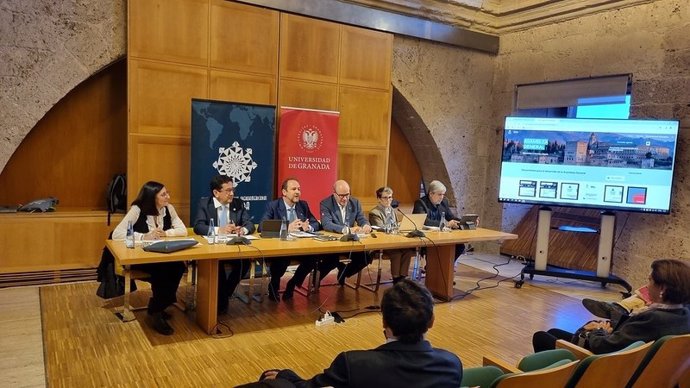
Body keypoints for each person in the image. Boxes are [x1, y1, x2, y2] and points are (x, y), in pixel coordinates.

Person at [255, 279, 462, 387]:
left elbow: (311, 387)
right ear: (432, 321)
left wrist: (286, 376)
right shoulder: (452, 365)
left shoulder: (354, 364)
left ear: (384, 321)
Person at [532, 259, 690, 354]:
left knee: (541, 337)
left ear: (662, 288)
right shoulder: (683, 314)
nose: (646, 286)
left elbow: (605, 347)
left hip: (607, 365)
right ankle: (615, 311)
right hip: (637, 363)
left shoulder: (653, 319)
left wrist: (598, 331)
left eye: (650, 280)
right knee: (554, 332)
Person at [112, 181, 188, 335]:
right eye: (163, 194)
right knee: (163, 271)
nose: (168, 197)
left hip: (161, 255)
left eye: (167, 193)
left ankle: (157, 306)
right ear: (152, 197)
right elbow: (117, 234)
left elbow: (183, 230)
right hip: (140, 258)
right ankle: (158, 311)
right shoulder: (137, 210)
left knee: (179, 266)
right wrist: (144, 236)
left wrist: (166, 233)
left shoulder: (169, 209)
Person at [193, 175, 255, 315]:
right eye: (228, 190)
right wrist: (218, 230)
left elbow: (250, 223)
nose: (232, 194)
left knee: (244, 263)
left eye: (233, 190)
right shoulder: (205, 204)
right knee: (217, 265)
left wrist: (242, 229)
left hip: (233, 247)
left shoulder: (237, 203)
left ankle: (223, 295)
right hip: (213, 248)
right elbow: (198, 226)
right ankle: (220, 303)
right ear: (216, 192)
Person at [259, 178, 320, 301]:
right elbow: (262, 226)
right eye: (293, 189)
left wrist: (308, 227)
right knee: (282, 259)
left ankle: (292, 284)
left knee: (314, 258)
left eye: (299, 189)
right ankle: (274, 286)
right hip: (280, 248)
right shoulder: (274, 206)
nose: (297, 192)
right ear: (284, 192)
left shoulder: (303, 205)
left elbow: (316, 223)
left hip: (300, 246)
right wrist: (286, 227)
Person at [318, 180, 373, 285]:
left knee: (366, 257)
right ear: (334, 194)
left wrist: (366, 225)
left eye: (347, 195)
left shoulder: (355, 202)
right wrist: (347, 230)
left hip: (350, 243)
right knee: (331, 260)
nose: (345, 198)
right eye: (341, 196)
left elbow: (362, 219)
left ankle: (344, 273)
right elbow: (327, 224)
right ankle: (315, 283)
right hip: (333, 244)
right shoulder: (326, 204)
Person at [369, 186, 415, 283]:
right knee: (397, 253)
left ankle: (402, 278)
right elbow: (379, 228)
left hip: (395, 240)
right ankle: (396, 279)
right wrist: (394, 228)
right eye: (385, 197)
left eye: (390, 197)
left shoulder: (393, 210)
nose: (388, 200)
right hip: (383, 242)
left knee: (408, 251)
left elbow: (395, 224)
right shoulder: (374, 212)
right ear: (379, 199)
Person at [413, 180, 465, 258]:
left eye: (443, 194)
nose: (442, 197)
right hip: (426, 237)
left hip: (441, 236)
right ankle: (432, 268)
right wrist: (446, 224)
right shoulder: (420, 203)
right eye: (439, 194)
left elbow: (451, 217)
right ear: (431, 193)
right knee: (435, 248)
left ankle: (447, 267)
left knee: (460, 246)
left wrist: (466, 222)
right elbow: (425, 221)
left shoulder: (444, 202)